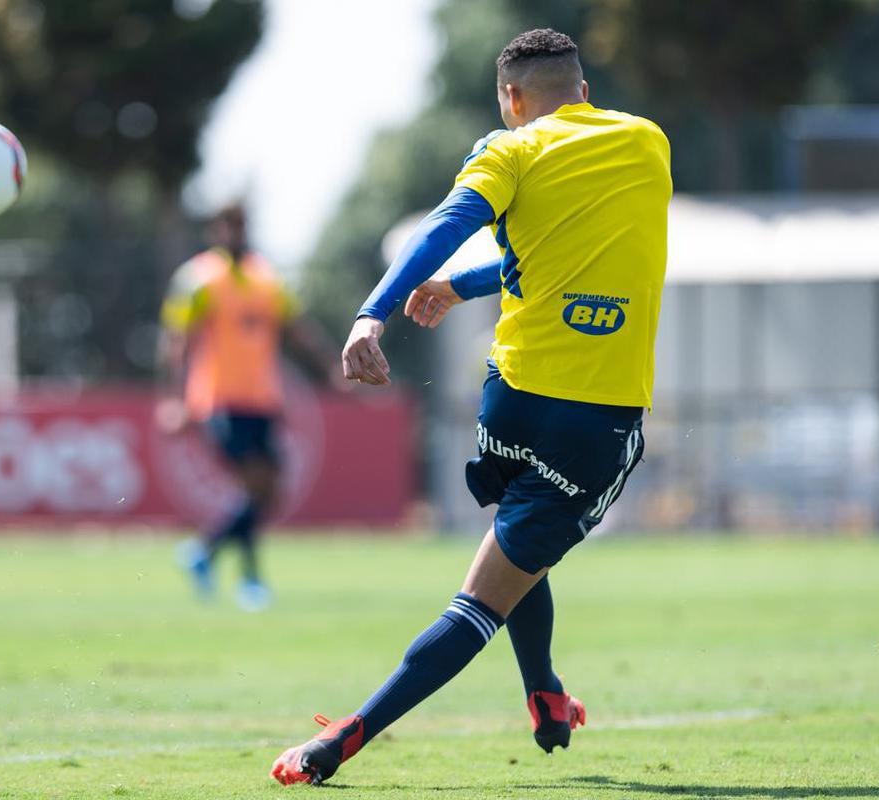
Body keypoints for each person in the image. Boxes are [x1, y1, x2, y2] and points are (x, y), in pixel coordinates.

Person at [270, 28, 671, 785]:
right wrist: (463, 286)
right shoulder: (647, 143)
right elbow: (563, 248)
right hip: (596, 418)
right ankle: (345, 738)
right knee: (483, 597)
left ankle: (544, 693)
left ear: (509, 98)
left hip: (511, 403)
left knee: (518, 533)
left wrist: (377, 313)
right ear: (582, 89)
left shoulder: (508, 150)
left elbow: (451, 229)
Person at [159, 204, 339, 612]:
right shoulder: (199, 278)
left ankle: (205, 553)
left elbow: (299, 330)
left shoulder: (266, 278)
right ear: (215, 230)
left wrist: (331, 367)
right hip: (218, 398)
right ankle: (249, 579)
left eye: (241, 225)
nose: (235, 233)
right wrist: (173, 398)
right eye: (229, 226)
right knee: (255, 483)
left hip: (263, 399)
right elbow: (176, 339)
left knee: (266, 491)